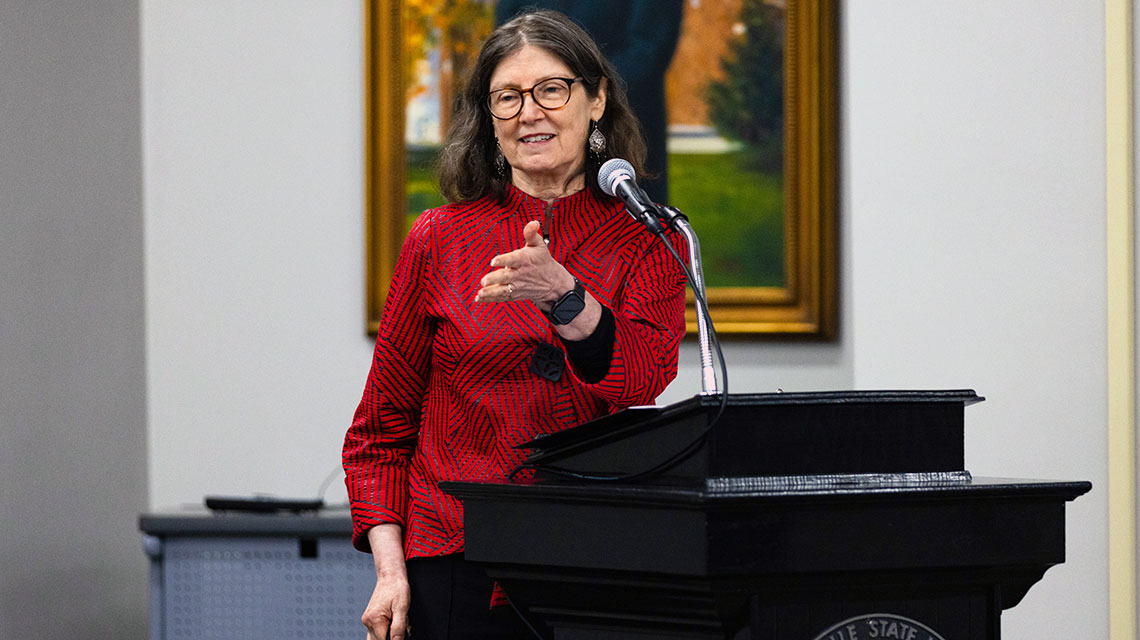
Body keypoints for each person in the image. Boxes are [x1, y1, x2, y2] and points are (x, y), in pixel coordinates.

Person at [342, 10, 688, 640]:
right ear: (490, 121)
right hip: (453, 562)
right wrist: (391, 573)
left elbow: (643, 378)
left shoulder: (651, 237)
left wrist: (566, 297)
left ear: (596, 99)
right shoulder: (438, 238)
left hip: (597, 562)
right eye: (508, 97)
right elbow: (379, 435)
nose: (531, 112)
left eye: (551, 89)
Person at [494, 0, 684, 204]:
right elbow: (509, 36)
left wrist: (583, 92)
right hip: (537, 126)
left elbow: (650, 46)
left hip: (623, 122)